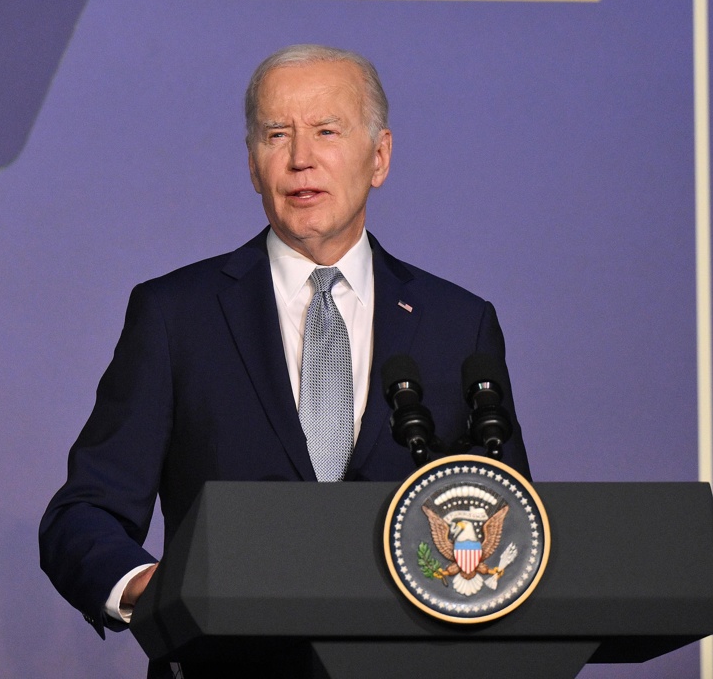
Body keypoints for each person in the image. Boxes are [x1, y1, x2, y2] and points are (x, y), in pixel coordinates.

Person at [39, 44, 531, 673]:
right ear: (253, 164)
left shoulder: (458, 324)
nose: (301, 159)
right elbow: (85, 513)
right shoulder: (177, 316)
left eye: (327, 131)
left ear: (378, 157)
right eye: (278, 135)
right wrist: (149, 588)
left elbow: (511, 521)